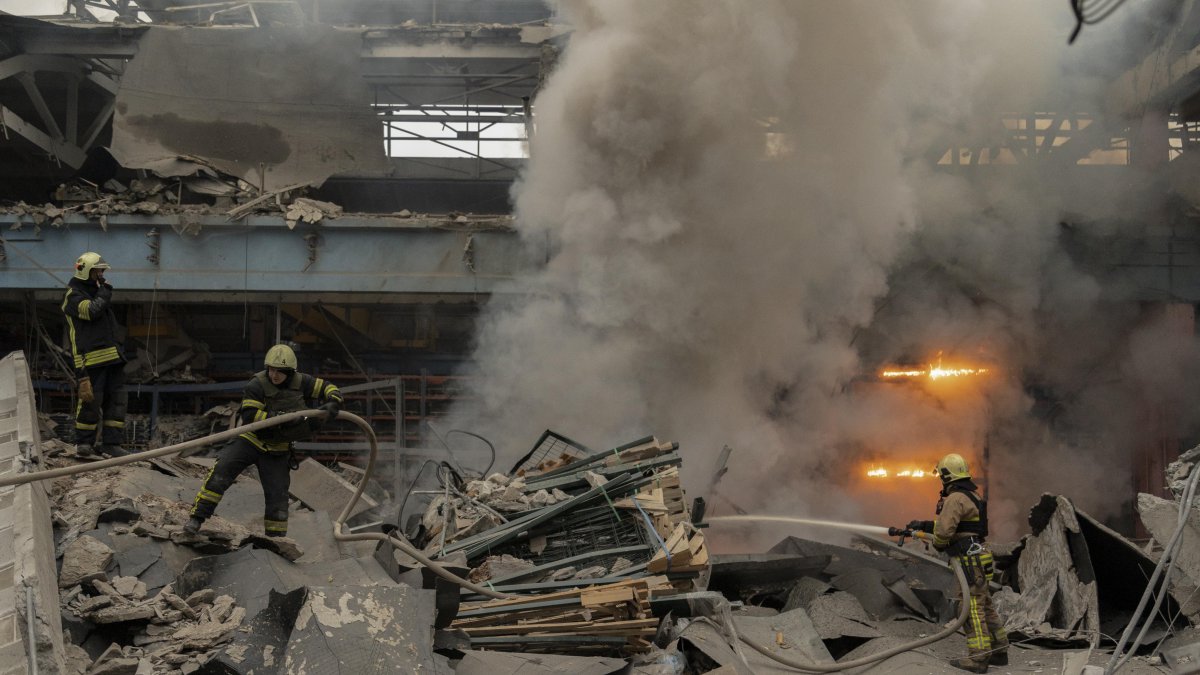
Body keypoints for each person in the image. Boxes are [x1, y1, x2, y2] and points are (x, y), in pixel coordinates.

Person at [185, 344, 342, 537]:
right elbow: (250, 415)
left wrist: (333, 401)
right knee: (221, 472)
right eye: (271, 369)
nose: (274, 375)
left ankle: (275, 544)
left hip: (278, 450)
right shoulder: (257, 384)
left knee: (278, 497)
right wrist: (280, 418)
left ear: (290, 372)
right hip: (250, 441)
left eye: (279, 371)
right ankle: (196, 518)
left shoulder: (303, 382)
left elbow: (329, 388)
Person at [906, 454, 1008, 673]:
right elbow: (959, 524)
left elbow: (944, 532)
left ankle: (978, 659)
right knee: (984, 604)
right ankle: (1000, 649)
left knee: (969, 608)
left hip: (969, 561)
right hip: (980, 555)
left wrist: (940, 544)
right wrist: (923, 525)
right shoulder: (971, 495)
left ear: (946, 476)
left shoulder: (954, 498)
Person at [61, 252, 128, 458]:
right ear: (86, 272)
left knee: (117, 400)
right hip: (90, 360)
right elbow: (91, 311)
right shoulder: (73, 296)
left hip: (112, 358)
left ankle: (111, 443)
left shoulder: (97, 293)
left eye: (102, 271)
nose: (101, 274)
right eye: (98, 270)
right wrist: (105, 290)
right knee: (91, 401)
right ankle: (84, 444)